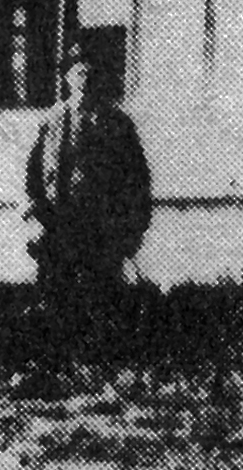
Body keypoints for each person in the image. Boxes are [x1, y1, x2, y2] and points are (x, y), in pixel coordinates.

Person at [23, 45, 153, 312]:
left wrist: (131, 233)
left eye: (88, 74)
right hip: (59, 233)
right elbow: (33, 182)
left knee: (103, 308)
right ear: (67, 78)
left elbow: (137, 182)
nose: (83, 80)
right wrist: (34, 223)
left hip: (103, 235)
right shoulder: (51, 124)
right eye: (77, 73)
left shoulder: (117, 125)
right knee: (59, 310)